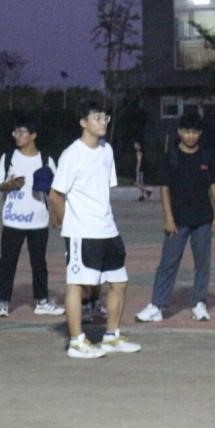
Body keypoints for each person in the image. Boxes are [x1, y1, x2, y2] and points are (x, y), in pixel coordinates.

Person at [49, 98, 141, 359]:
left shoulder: (106, 150)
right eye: (97, 118)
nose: (103, 122)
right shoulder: (71, 154)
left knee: (119, 282)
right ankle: (77, 342)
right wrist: (69, 224)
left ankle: (111, 336)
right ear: (83, 122)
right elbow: (56, 195)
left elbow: (103, 189)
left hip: (108, 229)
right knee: (77, 284)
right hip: (82, 232)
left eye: (105, 118)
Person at [136, 113, 215, 323]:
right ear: (179, 132)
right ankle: (157, 305)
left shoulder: (207, 156)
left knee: (202, 263)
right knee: (168, 262)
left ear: (199, 133)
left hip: (203, 219)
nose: (190, 136)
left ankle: (199, 303)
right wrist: (168, 217)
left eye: (194, 132)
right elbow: (165, 189)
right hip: (177, 220)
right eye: (186, 131)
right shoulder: (171, 157)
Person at [0, 118, 62, 318]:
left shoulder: (46, 159)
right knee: (7, 262)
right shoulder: (8, 157)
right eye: (15, 132)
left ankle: (41, 301)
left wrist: (56, 214)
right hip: (13, 220)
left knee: (39, 263)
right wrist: (11, 184)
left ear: (33, 135)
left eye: (22, 132)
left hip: (38, 220)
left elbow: (55, 190)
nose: (17, 136)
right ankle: (2, 303)